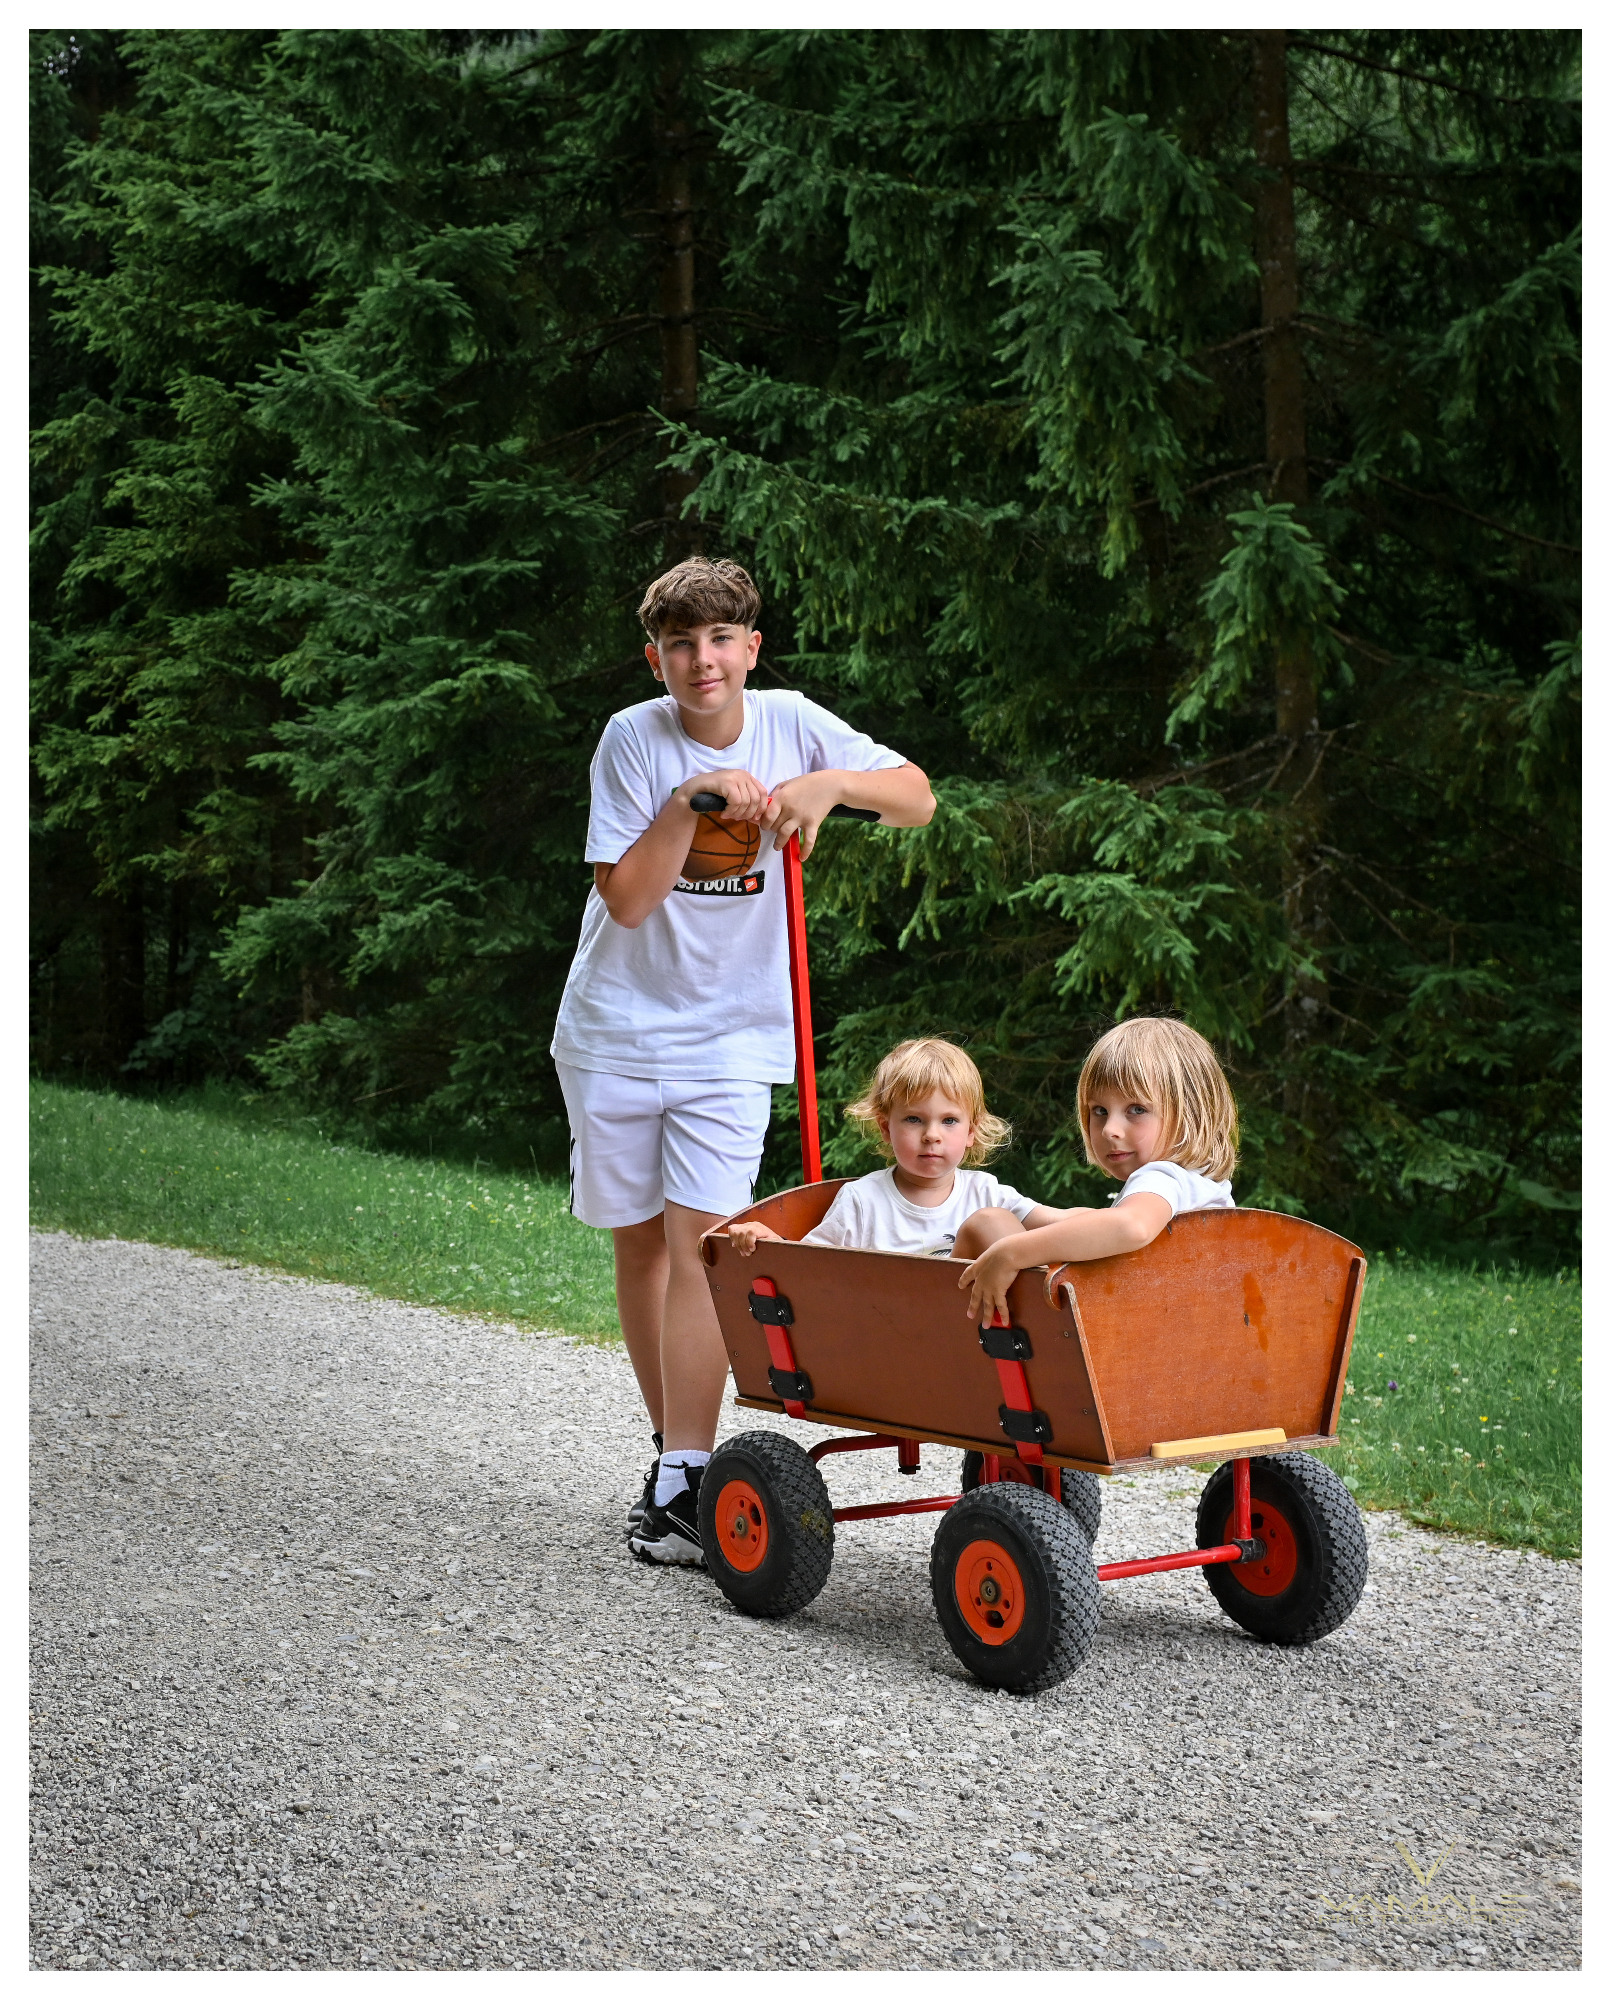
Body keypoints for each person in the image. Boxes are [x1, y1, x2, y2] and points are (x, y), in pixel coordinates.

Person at [549, 556, 935, 1565]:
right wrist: (689, 801)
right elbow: (628, 901)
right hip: (615, 1032)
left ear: (751, 648)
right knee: (641, 1247)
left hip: (730, 1041)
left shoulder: (793, 721)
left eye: (721, 639)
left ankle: (686, 1471)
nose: (702, 660)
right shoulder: (632, 738)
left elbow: (917, 798)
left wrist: (829, 783)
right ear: (656, 658)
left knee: (706, 1247)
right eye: (680, 644)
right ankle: (673, 1457)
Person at [956, 1016, 1237, 1325]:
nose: (1109, 1129)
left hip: (1139, 1332)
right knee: (988, 1222)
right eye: (1100, 1111)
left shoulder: (1161, 1177)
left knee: (983, 1228)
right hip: (1185, 1327)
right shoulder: (1199, 1184)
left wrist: (1012, 1252)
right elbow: (1100, 1222)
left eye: (1137, 1110)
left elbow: (1131, 1225)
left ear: (1190, 1114)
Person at [727, 1037, 1064, 1260]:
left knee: (994, 1224)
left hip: (973, 1335)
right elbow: (810, 1269)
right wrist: (772, 1243)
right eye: (914, 1119)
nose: (932, 1135)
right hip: (889, 1333)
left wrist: (1100, 1221)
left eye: (949, 1121)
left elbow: (1058, 1223)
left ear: (971, 1131)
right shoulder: (862, 1201)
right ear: (886, 1127)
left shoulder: (986, 1194)